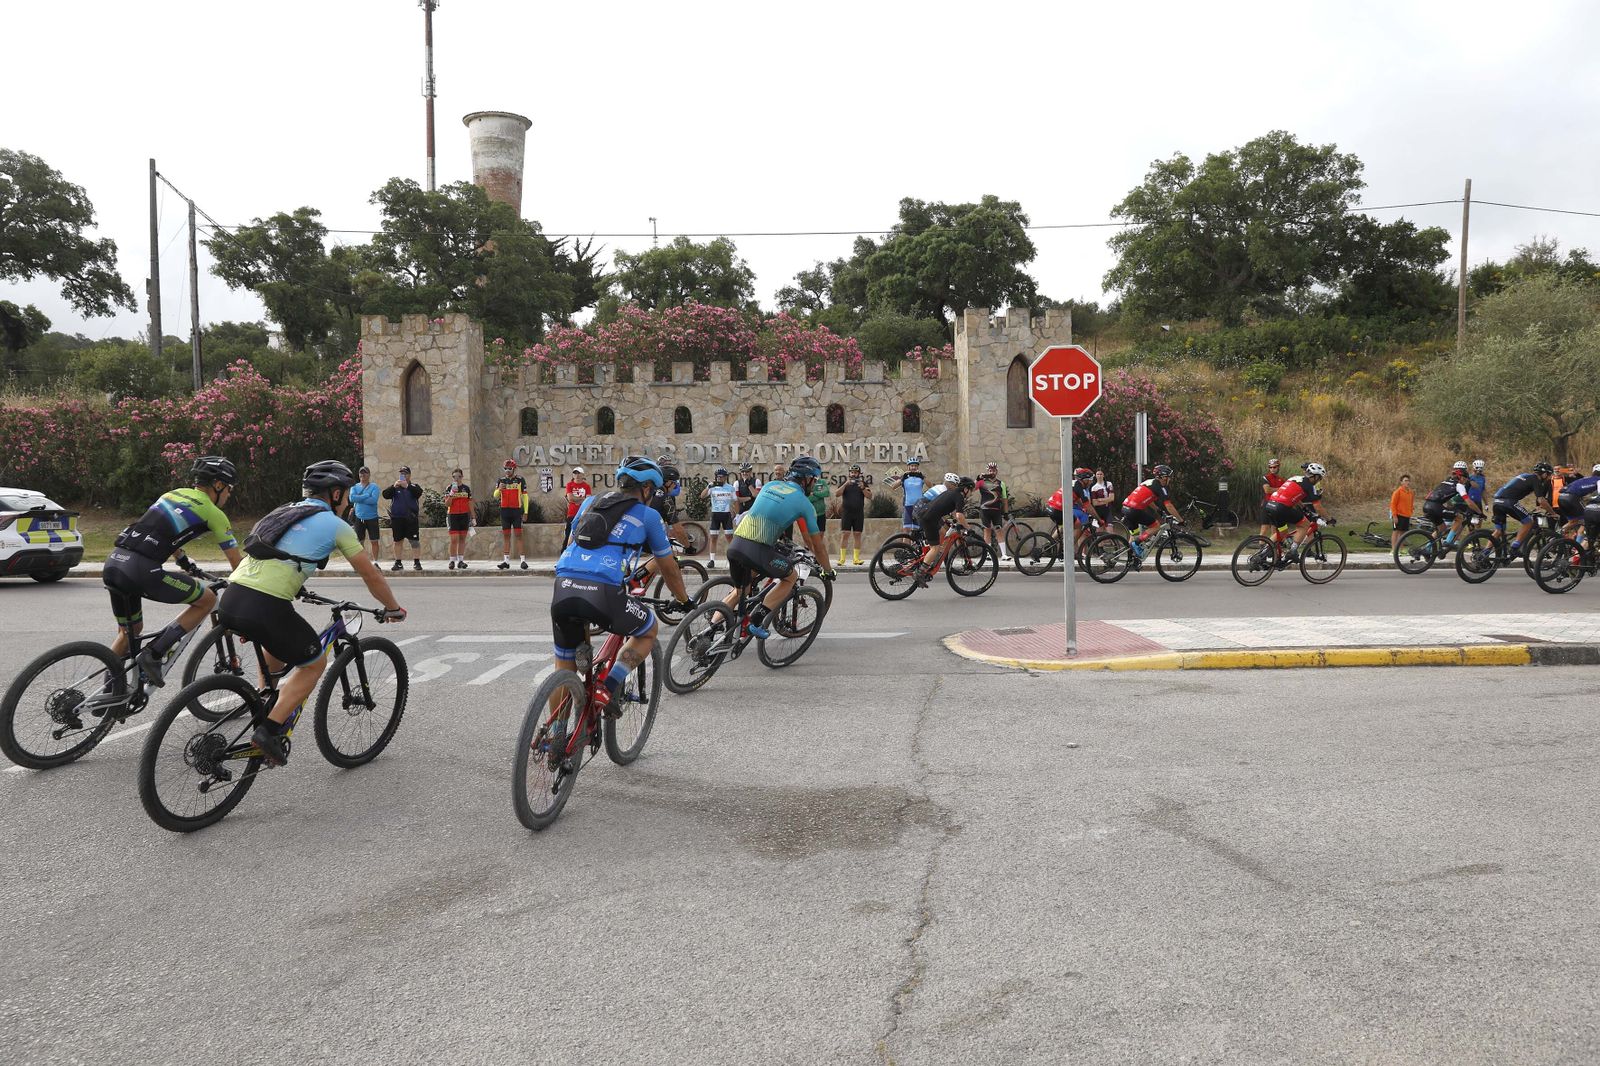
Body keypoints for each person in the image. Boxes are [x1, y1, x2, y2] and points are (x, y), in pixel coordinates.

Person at [221, 460, 405, 766]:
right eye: (345, 495)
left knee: (277, 647)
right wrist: (392, 608)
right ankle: (267, 732)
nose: (347, 502)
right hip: (265, 604)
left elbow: (273, 557)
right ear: (334, 494)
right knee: (314, 662)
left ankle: (265, 700)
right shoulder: (336, 525)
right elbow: (371, 574)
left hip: (233, 597)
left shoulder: (282, 512)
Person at [548, 456, 689, 750]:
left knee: (564, 665)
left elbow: (572, 538)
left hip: (563, 587)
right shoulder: (649, 516)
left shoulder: (590, 502)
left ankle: (556, 736)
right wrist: (683, 600)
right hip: (603, 592)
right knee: (647, 629)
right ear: (648, 488)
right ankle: (607, 688)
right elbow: (668, 567)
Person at [100, 456, 245, 690]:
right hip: (141, 570)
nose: (229, 495)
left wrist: (184, 561)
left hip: (115, 562)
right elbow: (237, 564)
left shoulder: (171, 494)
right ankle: (155, 653)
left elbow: (158, 529)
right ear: (218, 485)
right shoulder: (214, 513)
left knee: (129, 633)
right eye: (229, 489)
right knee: (208, 599)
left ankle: (110, 691)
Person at [726, 455, 834, 637]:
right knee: (790, 577)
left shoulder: (769, 486)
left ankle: (708, 632)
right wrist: (828, 570)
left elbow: (768, 513)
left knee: (739, 592)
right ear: (806, 479)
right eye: (814, 480)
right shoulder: (804, 503)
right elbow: (818, 545)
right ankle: (757, 621)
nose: (815, 484)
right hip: (757, 549)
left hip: (736, 544)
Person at [910, 473, 975, 585]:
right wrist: (968, 528)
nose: (971, 493)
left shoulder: (950, 493)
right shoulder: (959, 496)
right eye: (971, 490)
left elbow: (952, 511)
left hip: (926, 515)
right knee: (935, 548)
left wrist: (957, 522)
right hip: (929, 519)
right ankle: (919, 573)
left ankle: (928, 560)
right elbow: (959, 515)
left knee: (939, 538)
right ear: (965, 489)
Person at [1263, 462, 1329, 558]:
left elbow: (1292, 495)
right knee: (1304, 524)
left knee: (1282, 532)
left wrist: (1304, 507)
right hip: (1281, 507)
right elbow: (1318, 507)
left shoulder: (1295, 478)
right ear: (1315, 476)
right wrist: (1329, 519)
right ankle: (1292, 551)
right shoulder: (1310, 485)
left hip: (1270, 505)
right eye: (1319, 478)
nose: (1319, 480)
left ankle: (1262, 553)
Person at [1490, 462, 1555, 558]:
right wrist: (1553, 513)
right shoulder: (1536, 480)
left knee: (1499, 531)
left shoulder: (1525, 476)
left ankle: (1484, 554)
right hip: (1509, 502)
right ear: (1544, 474)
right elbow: (1541, 500)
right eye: (1549, 475)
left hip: (1496, 502)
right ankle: (1514, 548)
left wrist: (1538, 507)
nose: (1549, 478)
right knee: (1529, 522)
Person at [1119, 464, 1184, 554]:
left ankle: (1131, 559)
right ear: (1164, 477)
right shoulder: (1160, 487)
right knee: (1156, 526)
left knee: (1134, 535)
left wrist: (1157, 509)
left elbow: (1148, 499)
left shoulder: (1148, 482)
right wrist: (1180, 520)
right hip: (1134, 510)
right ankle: (1136, 544)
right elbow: (1169, 506)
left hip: (1125, 508)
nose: (1170, 479)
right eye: (1169, 477)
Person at [1420, 462, 1479, 547]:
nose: (1465, 481)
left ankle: (1426, 548)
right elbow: (1469, 502)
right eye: (1465, 478)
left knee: (1442, 529)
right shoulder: (1459, 485)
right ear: (1461, 477)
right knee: (1459, 518)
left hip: (1426, 505)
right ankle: (1448, 542)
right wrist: (1480, 512)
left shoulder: (1445, 481)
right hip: (1436, 506)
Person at [382, 466, 424, 572]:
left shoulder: (414, 486)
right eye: (401, 473)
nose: (403, 475)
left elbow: (419, 492)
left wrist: (407, 486)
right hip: (397, 518)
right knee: (397, 541)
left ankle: (417, 562)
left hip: (411, 518)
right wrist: (393, 486)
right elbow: (385, 495)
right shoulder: (396, 488)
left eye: (405, 473)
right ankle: (398, 562)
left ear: (409, 475)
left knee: (414, 541)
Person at [495, 459, 530, 570]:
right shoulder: (501, 480)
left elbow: (525, 496)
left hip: (516, 511)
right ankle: (506, 561)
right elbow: (495, 496)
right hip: (505, 511)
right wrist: (499, 490)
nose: (507, 471)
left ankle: (523, 560)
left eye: (509, 468)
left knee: (519, 535)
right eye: (505, 468)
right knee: (506, 536)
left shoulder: (520, 480)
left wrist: (525, 511)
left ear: (514, 469)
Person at [702, 467, 739, 567]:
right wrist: (708, 487)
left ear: (725, 477)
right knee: (713, 537)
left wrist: (737, 514)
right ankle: (712, 560)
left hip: (726, 515)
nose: (719, 479)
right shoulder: (712, 487)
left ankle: (733, 560)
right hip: (715, 514)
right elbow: (702, 496)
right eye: (717, 477)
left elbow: (735, 501)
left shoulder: (730, 488)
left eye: (721, 477)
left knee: (729, 537)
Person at [976, 461, 1012, 563]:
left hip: (996, 510)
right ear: (987, 471)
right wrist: (977, 479)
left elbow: (1004, 499)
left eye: (994, 470)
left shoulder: (1001, 483)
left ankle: (1004, 554)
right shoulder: (981, 482)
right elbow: (972, 489)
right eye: (990, 470)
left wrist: (1005, 512)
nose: (992, 472)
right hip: (985, 510)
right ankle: (988, 553)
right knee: (987, 530)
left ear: (997, 471)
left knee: (999, 530)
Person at [837, 464, 871, 566]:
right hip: (847, 513)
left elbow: (870, 496)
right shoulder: (844, 483)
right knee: (845, 534)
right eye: (852, 472)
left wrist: (863, 488)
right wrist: (845, 484)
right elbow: (837, 494)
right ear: (849, 473)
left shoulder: (863, 483)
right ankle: (842, 559)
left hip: (858, 513)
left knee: (857, 535)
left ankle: (856, 559)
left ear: (859, 474)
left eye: (855, 472)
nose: (853, 474)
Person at [1555, 463, 1600, 537]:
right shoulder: (1598, 480)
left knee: (1573, 522)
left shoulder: (1587, 479)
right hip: (1571, 498)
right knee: (1586, 521)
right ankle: (1578, 547)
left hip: (1562, 497)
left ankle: (1555, 537)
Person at [348, 467, 382, 561]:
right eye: (361, 473)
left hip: (372, 517)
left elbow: (373, 500)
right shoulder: (354, 487)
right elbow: (352, 499)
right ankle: (363, 562)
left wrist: (359, 498)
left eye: (365, 473)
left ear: (369, 474)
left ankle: (375, 562)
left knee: (374, 541)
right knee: (359, 542)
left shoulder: (374, 486)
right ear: (359, 475)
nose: (363, 475)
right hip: (359, 518)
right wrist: (366, 495)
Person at [885, 458, 927, 531]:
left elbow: (930, 485)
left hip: (919, 506)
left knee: (917, 529)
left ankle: (916, 542)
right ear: (908, 467)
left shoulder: (920, 477)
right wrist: (902, 478)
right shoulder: (905, 477)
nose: (913, 467)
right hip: (908, 506)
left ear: (918, 467)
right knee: (906, 529)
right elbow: (893, 486)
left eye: (915, 466)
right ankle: (905, 543)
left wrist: (923, 477)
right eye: (912, 466)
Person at [444, 467, 473, 570]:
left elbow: (470, 502)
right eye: (454, 477)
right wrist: (452, 494)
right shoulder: (449, 488)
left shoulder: (466, 488)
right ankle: (452, 560)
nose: (457, 479)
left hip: (464, 515)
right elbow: (447, 504)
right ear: (452, 477)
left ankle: (460, 561)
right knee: (454, 539)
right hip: (453, 515)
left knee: (462, 538)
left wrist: (473, 517)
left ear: (462, 477)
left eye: (459, 477)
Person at [560, 466, 593, 551]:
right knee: (568, 534)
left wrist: (577, 500)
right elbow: (570, 498)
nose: (577, 475)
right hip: (572, 514)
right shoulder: (569, 485)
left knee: (583, 535)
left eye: (579, 473)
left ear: (582, 475)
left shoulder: (586, 486)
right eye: (575, 473)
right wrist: (583, 499)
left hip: (583, 514)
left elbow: (588, 500)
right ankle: (564, 553)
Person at [807, 468, 831, 561]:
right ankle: (812, 556)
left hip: (821, 514)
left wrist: (815, 494)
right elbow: (808, 498)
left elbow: (827, 492)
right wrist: (818, 496)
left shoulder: (822, 482)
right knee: (810, 537)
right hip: (810, 514)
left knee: (820, 537)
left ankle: (818, 557)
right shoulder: (808, 483)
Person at [1259, 458, 1286, 536]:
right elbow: (1267, 490)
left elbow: (1285, 491)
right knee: (1265, 527)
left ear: (1278, 467)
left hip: (1277, 504)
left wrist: (1275, 490)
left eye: (1274, 467)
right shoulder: (1266, 477)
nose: (1272, 469)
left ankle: (1273, 547)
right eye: (1270, 467)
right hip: (1267, 503)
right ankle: (1261, 546)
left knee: (1274, 529)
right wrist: (1280, 489)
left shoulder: (1282, 479)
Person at [1389, 473, 1413, 551]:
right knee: (1395, 531)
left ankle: (1401, 550)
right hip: (1398, 515)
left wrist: (1411, 511)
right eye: (1405, 481)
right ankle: (1393, 550)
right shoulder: (1397, 492)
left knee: (1403, 533)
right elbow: (1393, 504)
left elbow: (1411, 503)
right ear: (1401, 482)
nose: (1407, 482)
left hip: (1406, 516)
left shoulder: (1410, 492)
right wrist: (1394, 516)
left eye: (1408, 481)